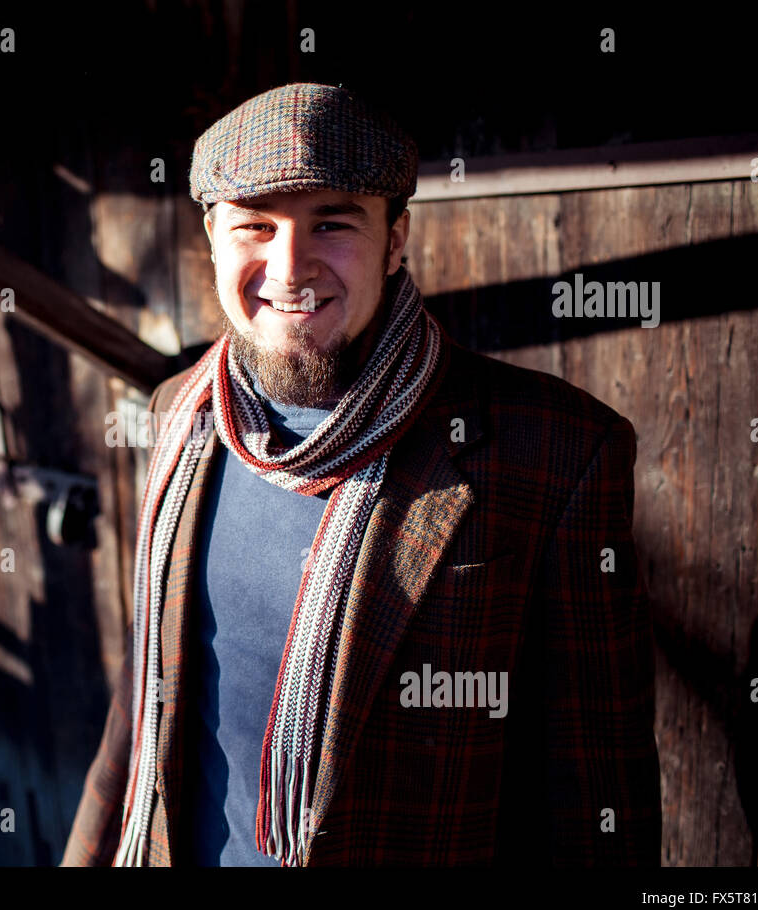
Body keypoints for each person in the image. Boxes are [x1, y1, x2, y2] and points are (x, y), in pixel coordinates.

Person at [62, 82, 661, 866]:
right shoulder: (181, 417)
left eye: (332, 222)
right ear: (211, 242)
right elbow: (144, 703)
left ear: (395, 239)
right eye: (254, 226)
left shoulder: (555, 451)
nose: (290, 265)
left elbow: (596, 807)